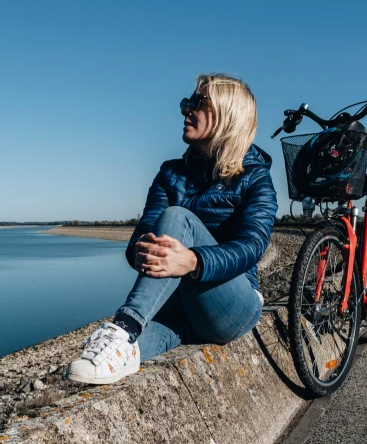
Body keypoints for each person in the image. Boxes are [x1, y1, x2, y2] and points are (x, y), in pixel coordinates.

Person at [65, 73, 278, 384]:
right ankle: (121, 347)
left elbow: (252, 246)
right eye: (185, 102)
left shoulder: (255, 177)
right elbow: (146, 228)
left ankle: (124, 325)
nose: (185, 110)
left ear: (226, 115)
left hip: (233, 305)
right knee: (119, 357)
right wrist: (140, 249)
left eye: (196, 102)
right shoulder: (170, 173)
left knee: (177, 217)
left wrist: (193, 261)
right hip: (181, 307)